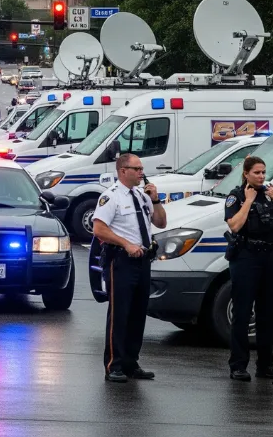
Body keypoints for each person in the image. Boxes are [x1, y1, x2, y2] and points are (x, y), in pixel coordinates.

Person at [92, 153, 166, 383]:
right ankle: (114, 365)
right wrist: (126, 243)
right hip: (121, 260)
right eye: (137, 168)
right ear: (123, 171)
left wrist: (155, 200)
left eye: (142, 168)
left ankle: (131, 363)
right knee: (120, 314)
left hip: (143, 261)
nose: (141, 172)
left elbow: (161, 222)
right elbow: (99, 229)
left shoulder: (142, 196)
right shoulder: (110, 197)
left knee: (137, 314)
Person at [224, 156, 273, 381]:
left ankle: (265, 364)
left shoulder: (269, 195)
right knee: (242, 313)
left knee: (267, 313)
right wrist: (248, 201)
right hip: (245, 258)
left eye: (263, 172)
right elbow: (234, 225)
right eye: (257, 173)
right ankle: (238, 365)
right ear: (246, 174)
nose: (261, 176)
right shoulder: (237, 196)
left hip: (267, 257)